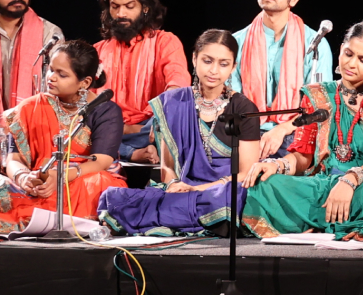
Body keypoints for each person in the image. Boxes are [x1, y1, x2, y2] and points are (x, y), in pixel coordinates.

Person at [240, 23, 363, 239]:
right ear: (341, 48)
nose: (351, 64)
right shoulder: (318, 95)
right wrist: (277, 165)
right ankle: (338, 223)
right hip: (323, 184)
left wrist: (350, 180)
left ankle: (315, 223)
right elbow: (303, 157)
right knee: (267, 182)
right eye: (348, 54)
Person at [98, 30, 265, 237]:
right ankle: (189, 214)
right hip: (184, 188)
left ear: (233, 67)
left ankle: (179, 214)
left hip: (222, 190)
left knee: (231, 198)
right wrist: (174, 183)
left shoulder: (244, 108)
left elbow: (245, 173)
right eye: (207, 60)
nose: (214, 70)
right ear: (194, 58)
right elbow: (168, 166)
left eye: (223, 64)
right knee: (114, 196)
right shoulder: (172, 102)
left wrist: (201, 189)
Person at [0, 40, 128, 234]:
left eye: (62, 74)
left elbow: (101, 161)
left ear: (85, 82)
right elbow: (14, 159)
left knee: (101, 183)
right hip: (38, 185)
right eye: (51, 70)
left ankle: (56, 223)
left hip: (78, 181)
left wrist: (60, 177)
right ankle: (36, 222)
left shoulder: (104, 110)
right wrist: (22, 177)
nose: (51, 78)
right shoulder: (30, 108)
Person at [230, 0, 333, 156]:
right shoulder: (236, 42)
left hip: (294, 131)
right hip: (246, 133)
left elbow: (319, 106)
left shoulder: (315, 44)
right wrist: (251, 137)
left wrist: (281, 130)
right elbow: (231, 100)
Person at [94, 0, 189, 165]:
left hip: (149, 129)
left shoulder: (165, 42)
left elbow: (178, 82)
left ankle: (132, 147)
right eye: (115, 7)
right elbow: (87, 102)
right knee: (80, 130)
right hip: (111, 130)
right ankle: (132, 153)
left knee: (176, 126)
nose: (121, 14)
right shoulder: (97, 51)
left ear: (145, 8)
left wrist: (161, 118)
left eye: (129, 6)